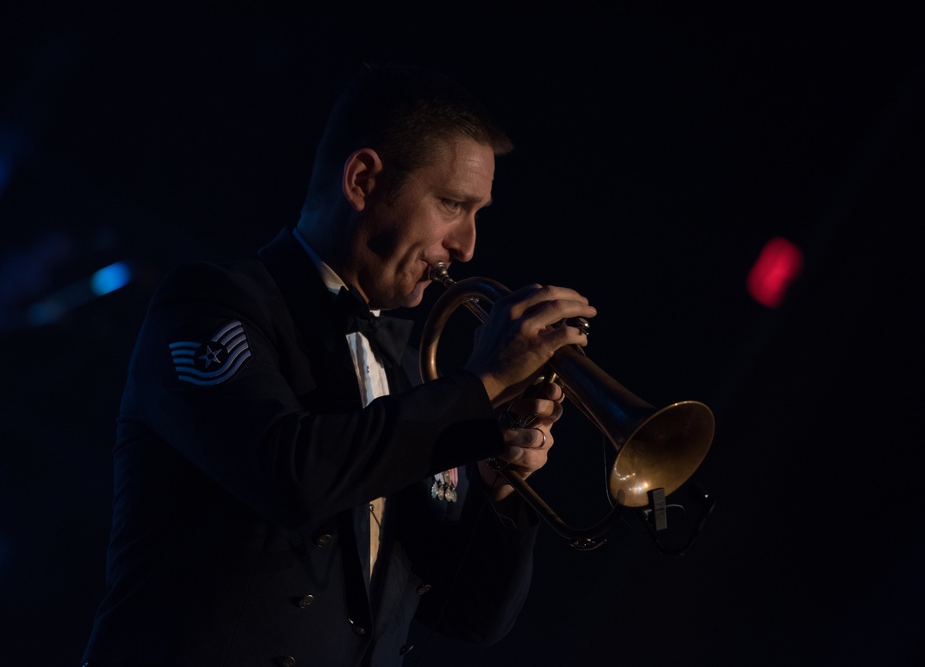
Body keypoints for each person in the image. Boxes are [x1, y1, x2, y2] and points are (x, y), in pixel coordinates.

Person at [81, 63, 596, 667]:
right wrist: (479, 389)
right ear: (362, 180)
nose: (467, 246)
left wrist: (499, 481)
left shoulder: (411, 377)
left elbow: (471, 614)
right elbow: (288, 473)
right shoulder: (210, 304)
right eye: (452, 204)